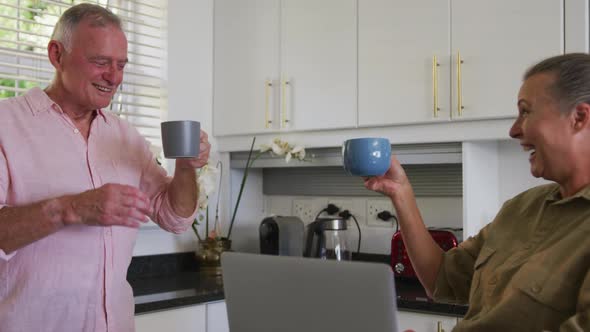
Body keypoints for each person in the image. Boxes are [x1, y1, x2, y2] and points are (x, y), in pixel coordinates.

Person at [0, 4, 210, 331]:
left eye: (121, 65)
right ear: (57, 55)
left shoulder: (125, 135)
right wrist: (70, 208)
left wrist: (186, 166)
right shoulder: (6, 125)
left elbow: (176, 218)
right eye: (100, 62)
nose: (114, 77)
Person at [366, 53, 590, 332]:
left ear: (579, 117)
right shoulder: (521, 208)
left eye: (525, 111)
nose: (514, 130)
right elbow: (441, 280)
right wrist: (401, 193)